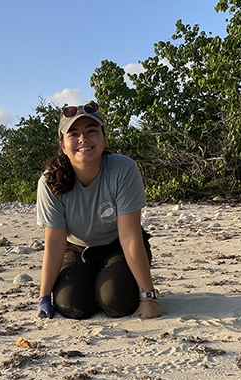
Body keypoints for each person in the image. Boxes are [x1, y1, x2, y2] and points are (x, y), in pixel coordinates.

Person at [36, 101, 162, 320]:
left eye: (92, 131)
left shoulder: (123, 169)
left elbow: (130, 235)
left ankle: (116, 284)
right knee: (71, 305)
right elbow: (55, 241)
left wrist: (148, 297)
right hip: (77, 250)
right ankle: (93, 283)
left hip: (117, 248)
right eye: (73, 134)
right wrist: (44, 296)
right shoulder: (50, 182)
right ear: (63, 145)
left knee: (116, 301)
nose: (83, 139)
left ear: (103, 139)